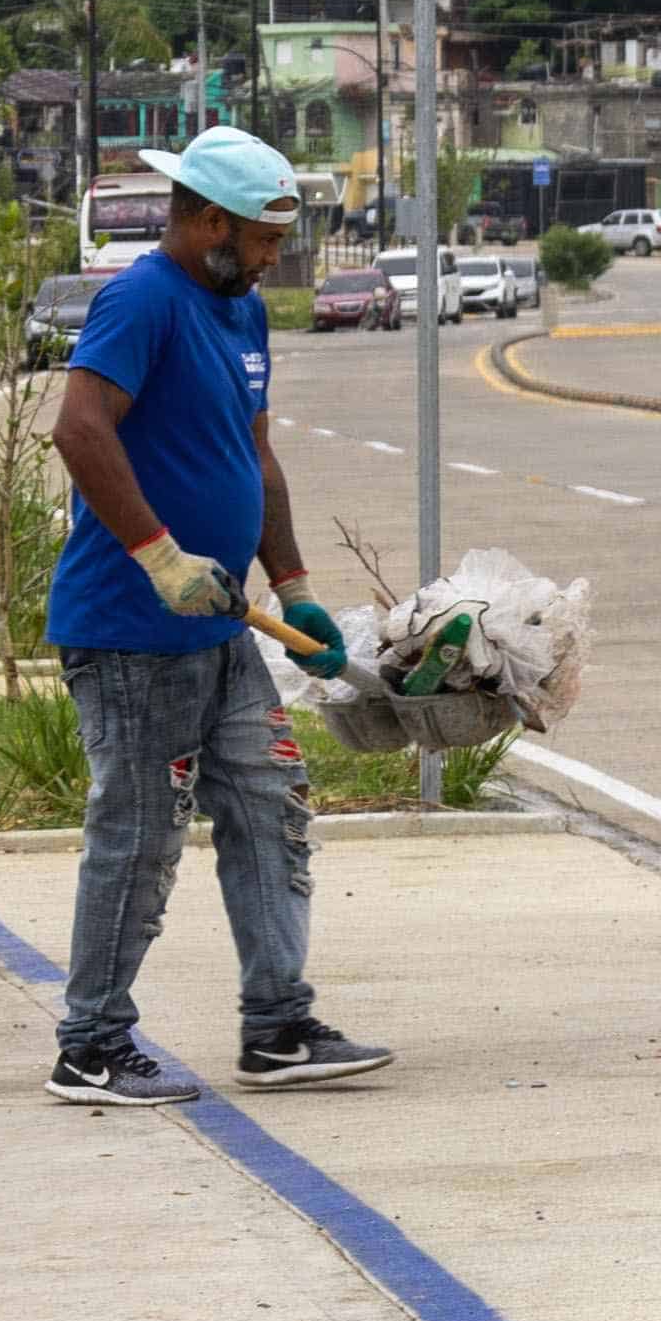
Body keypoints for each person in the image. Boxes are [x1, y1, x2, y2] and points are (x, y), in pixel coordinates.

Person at [39, 127, 392, 1108]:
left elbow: (254, 457)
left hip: (223, 629)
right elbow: (78, 427)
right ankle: (92, 1046)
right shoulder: (142, 300)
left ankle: (278, 1025)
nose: (279, 256)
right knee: (142, 835)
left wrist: (293, 580)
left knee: (268, 809)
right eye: (267, 236)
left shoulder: (240, 315)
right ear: (208, 221)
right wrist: (157, 555)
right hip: (129, 632)